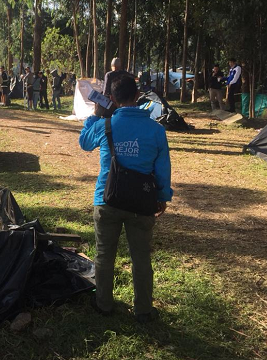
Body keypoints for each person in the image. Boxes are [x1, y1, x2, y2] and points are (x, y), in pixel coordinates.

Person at [79, 75, 173, 324]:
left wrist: (96, 115)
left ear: (111, 99)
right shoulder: (156, 130)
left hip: (106, 199)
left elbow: (83, 143)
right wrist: (162, 197)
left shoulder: (105, 125)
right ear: (137, 96)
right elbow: (163, 168)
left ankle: (104, 305)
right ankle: (143, 310)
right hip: (142, 203)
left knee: (104, 255)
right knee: (141, 257)